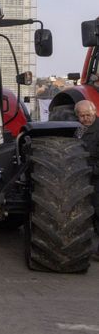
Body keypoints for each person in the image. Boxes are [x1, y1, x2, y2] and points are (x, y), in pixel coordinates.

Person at [74, 100, 99, 260]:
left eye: (88, 115)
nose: (86, 118)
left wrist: (91, 170)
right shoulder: (77, 130)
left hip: (95, 177)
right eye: (82, 116)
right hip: (80, 177)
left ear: (94, 112)